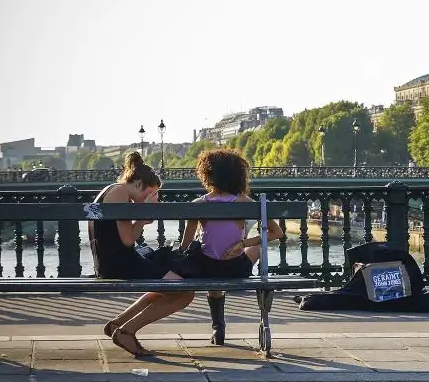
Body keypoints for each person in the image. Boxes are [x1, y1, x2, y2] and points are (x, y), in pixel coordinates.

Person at [91, 152, 195, 357]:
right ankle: (126, 331)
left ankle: (117, 324)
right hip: (119, 262)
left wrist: (141, 219)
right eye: (152, 193)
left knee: (166, 288)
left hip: (111, 260)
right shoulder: (120, 192)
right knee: (185, 292)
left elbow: (125, 238)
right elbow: (128, 240)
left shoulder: (111, 190)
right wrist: (142, 215)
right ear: (138, 184)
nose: (153, 198)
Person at [179, 148, 285, 345]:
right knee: (258, 245)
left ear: (207, 174)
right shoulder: (246, 202)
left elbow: (185, 246)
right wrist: (243, 244)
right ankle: (259, 279)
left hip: (207, 269)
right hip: (236, 267)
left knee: (211, 269)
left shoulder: (198, 204)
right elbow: (277, 233)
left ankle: (218, 327)